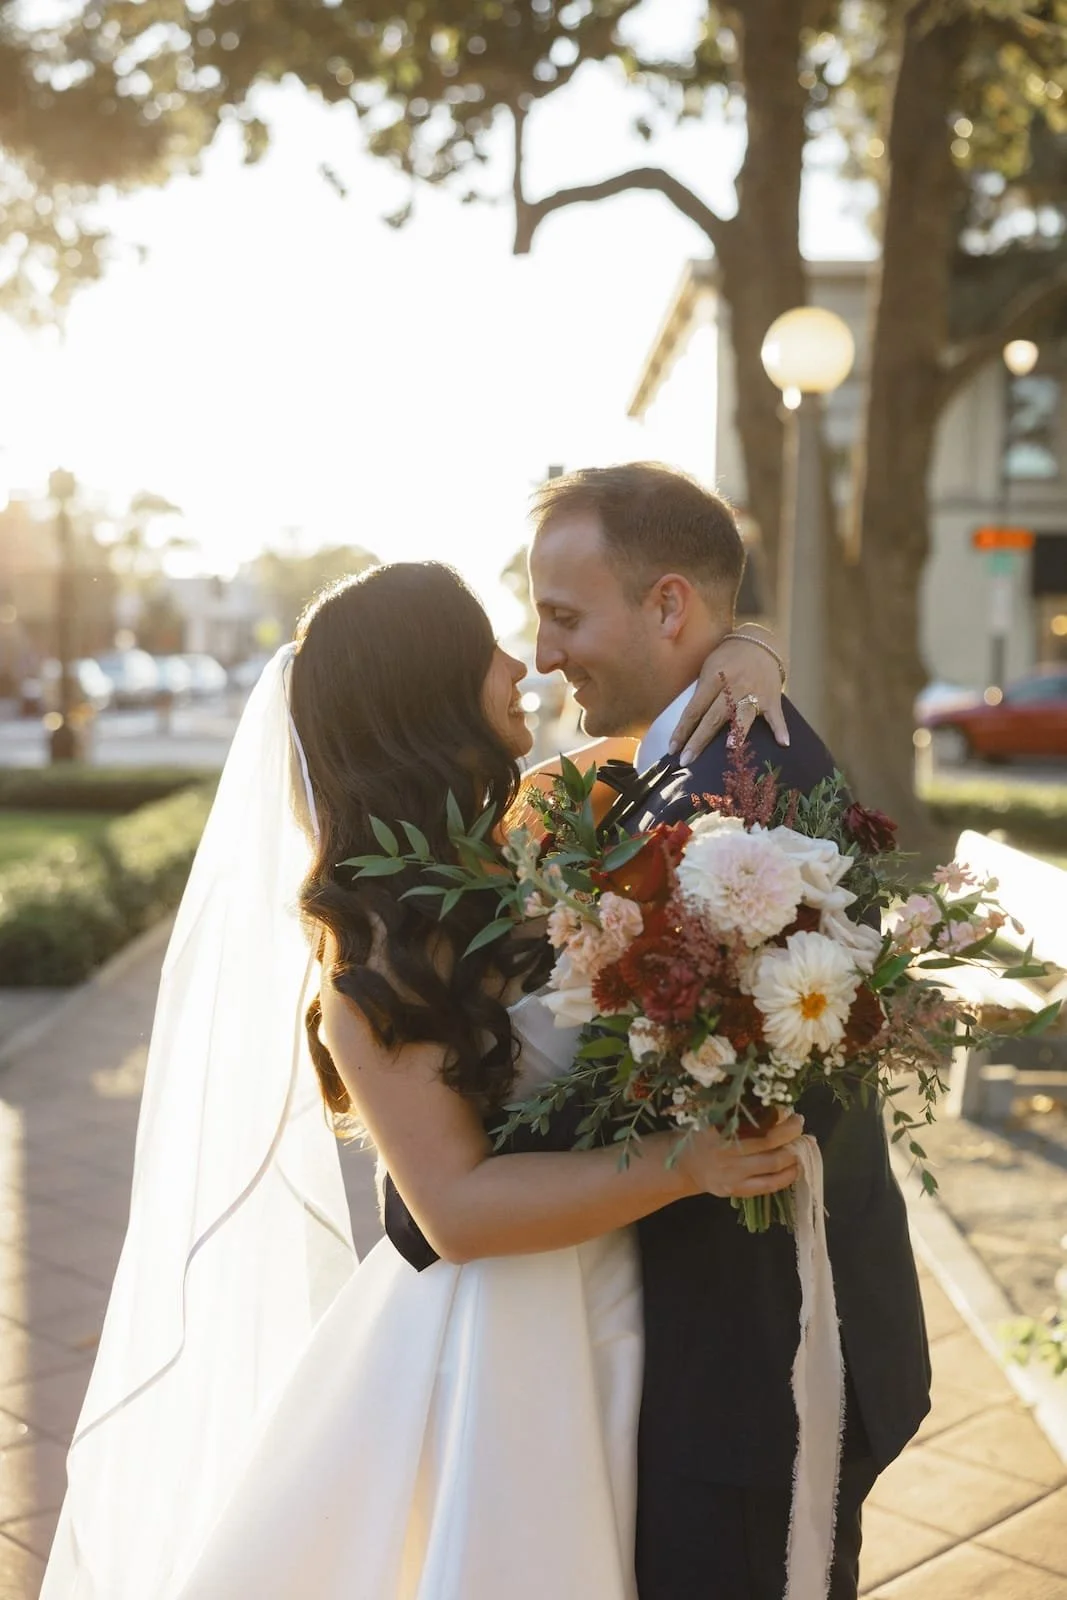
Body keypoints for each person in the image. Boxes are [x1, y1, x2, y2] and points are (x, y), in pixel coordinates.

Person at [41, 556, 797, 1600]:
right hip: (502, 1340)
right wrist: (686, 1163)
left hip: (619, 1296)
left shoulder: (538, 819)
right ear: (427, 691)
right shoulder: (372, 962)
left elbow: (679, 728)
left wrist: (751, 649)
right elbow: (456, 1208)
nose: (521, 660)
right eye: (484, 643)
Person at [388, 464, 932, 1600]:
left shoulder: (742, 790)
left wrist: (434, 1171)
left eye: (563, 615)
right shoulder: (680, 763)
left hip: (756, 1373)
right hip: (712, 1360)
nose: (544, 653)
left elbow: (677, 1078)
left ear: (670, 606)